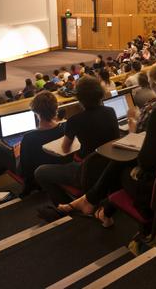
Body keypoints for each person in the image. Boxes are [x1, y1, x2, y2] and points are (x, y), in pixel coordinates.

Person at [56, 62, 156, 228]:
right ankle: (92, 203)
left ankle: (98, 207)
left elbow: (147, 163)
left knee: (121, 165)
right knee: (122, 160)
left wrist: (137, 139)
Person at [35, 76, 120, 213]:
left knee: (40, 171)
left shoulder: (75, 120)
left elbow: (65, 148)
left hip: (86, 171)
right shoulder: (110, 111)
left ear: (79, 97)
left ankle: (69, 206)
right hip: (109, 167)